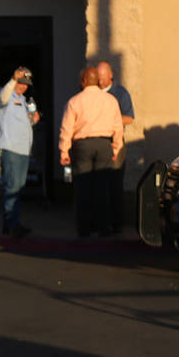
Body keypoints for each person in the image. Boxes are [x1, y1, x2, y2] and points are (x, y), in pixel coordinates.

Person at [59, 67, 124, 237]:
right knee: (103, 188)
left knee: (82, 187)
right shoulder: (111, 100)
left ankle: (84, 228)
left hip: (82, 146)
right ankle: (103, 227)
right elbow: (118, 127)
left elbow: (67, 128)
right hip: (104, 145)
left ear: (84, 81)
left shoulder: (74, 101)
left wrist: (64, 151)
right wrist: (116, 148)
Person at [0, 67, 40, 237]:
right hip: (11, 148)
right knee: (12, 187)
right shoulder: (5, 95)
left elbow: (23, 124)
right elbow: (2, 97)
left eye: (26, 84)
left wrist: (33, 120)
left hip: (22, 150)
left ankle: (9, 224)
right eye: (20, 83)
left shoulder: (23, 101)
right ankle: (13, 225)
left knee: (17, 186)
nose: (23, 87)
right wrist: (13, 79)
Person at [96, 61, 135, 234]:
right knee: (99, 184)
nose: (100, 81)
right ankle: (100, 222)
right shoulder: (92, 92)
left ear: (111, 75)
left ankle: (117, 222)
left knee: (115, 183)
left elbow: (129, 117)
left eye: (103, 77)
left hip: (114, 140)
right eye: (97, 77)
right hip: (96, 142)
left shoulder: (120, 93)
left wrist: (111, 121)